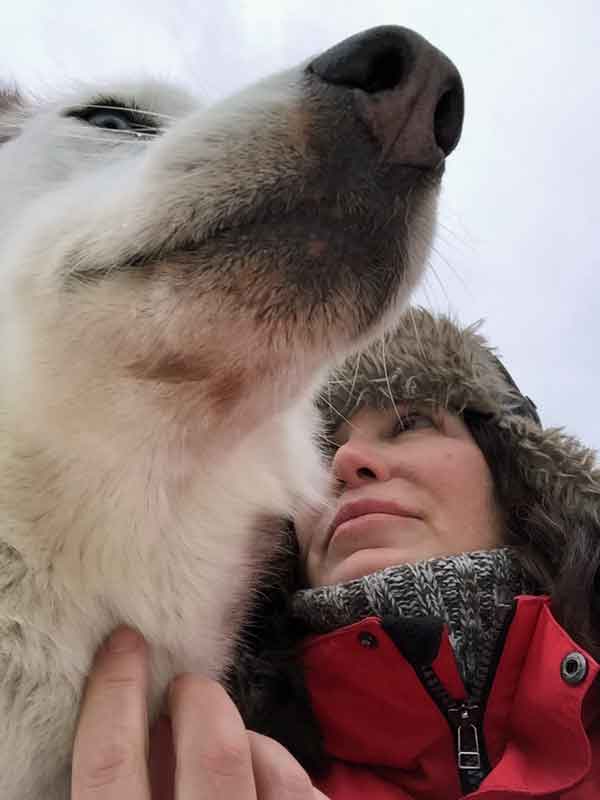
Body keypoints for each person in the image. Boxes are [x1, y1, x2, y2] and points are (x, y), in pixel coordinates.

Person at [72, 308, 600, 799]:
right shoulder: (183, 760)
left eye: (410, 422)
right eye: (318, 446)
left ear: (512, 477)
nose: (345, 460)